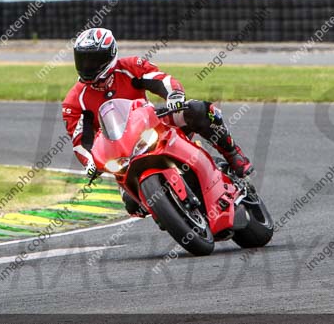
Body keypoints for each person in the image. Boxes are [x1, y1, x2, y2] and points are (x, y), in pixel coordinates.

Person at [62, 28, 253, 216]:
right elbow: (80, 141)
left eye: (93, 59)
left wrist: (174, 94)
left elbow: (160, 79)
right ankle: (171, 214)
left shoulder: (129, 67)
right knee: (132, 205)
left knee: (196, 110)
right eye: (82, 59)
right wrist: (90, 162)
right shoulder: (74, 100)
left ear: (110, 55)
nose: (87, 65)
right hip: (122, 153)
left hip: (153, 125)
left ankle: (233, 153)